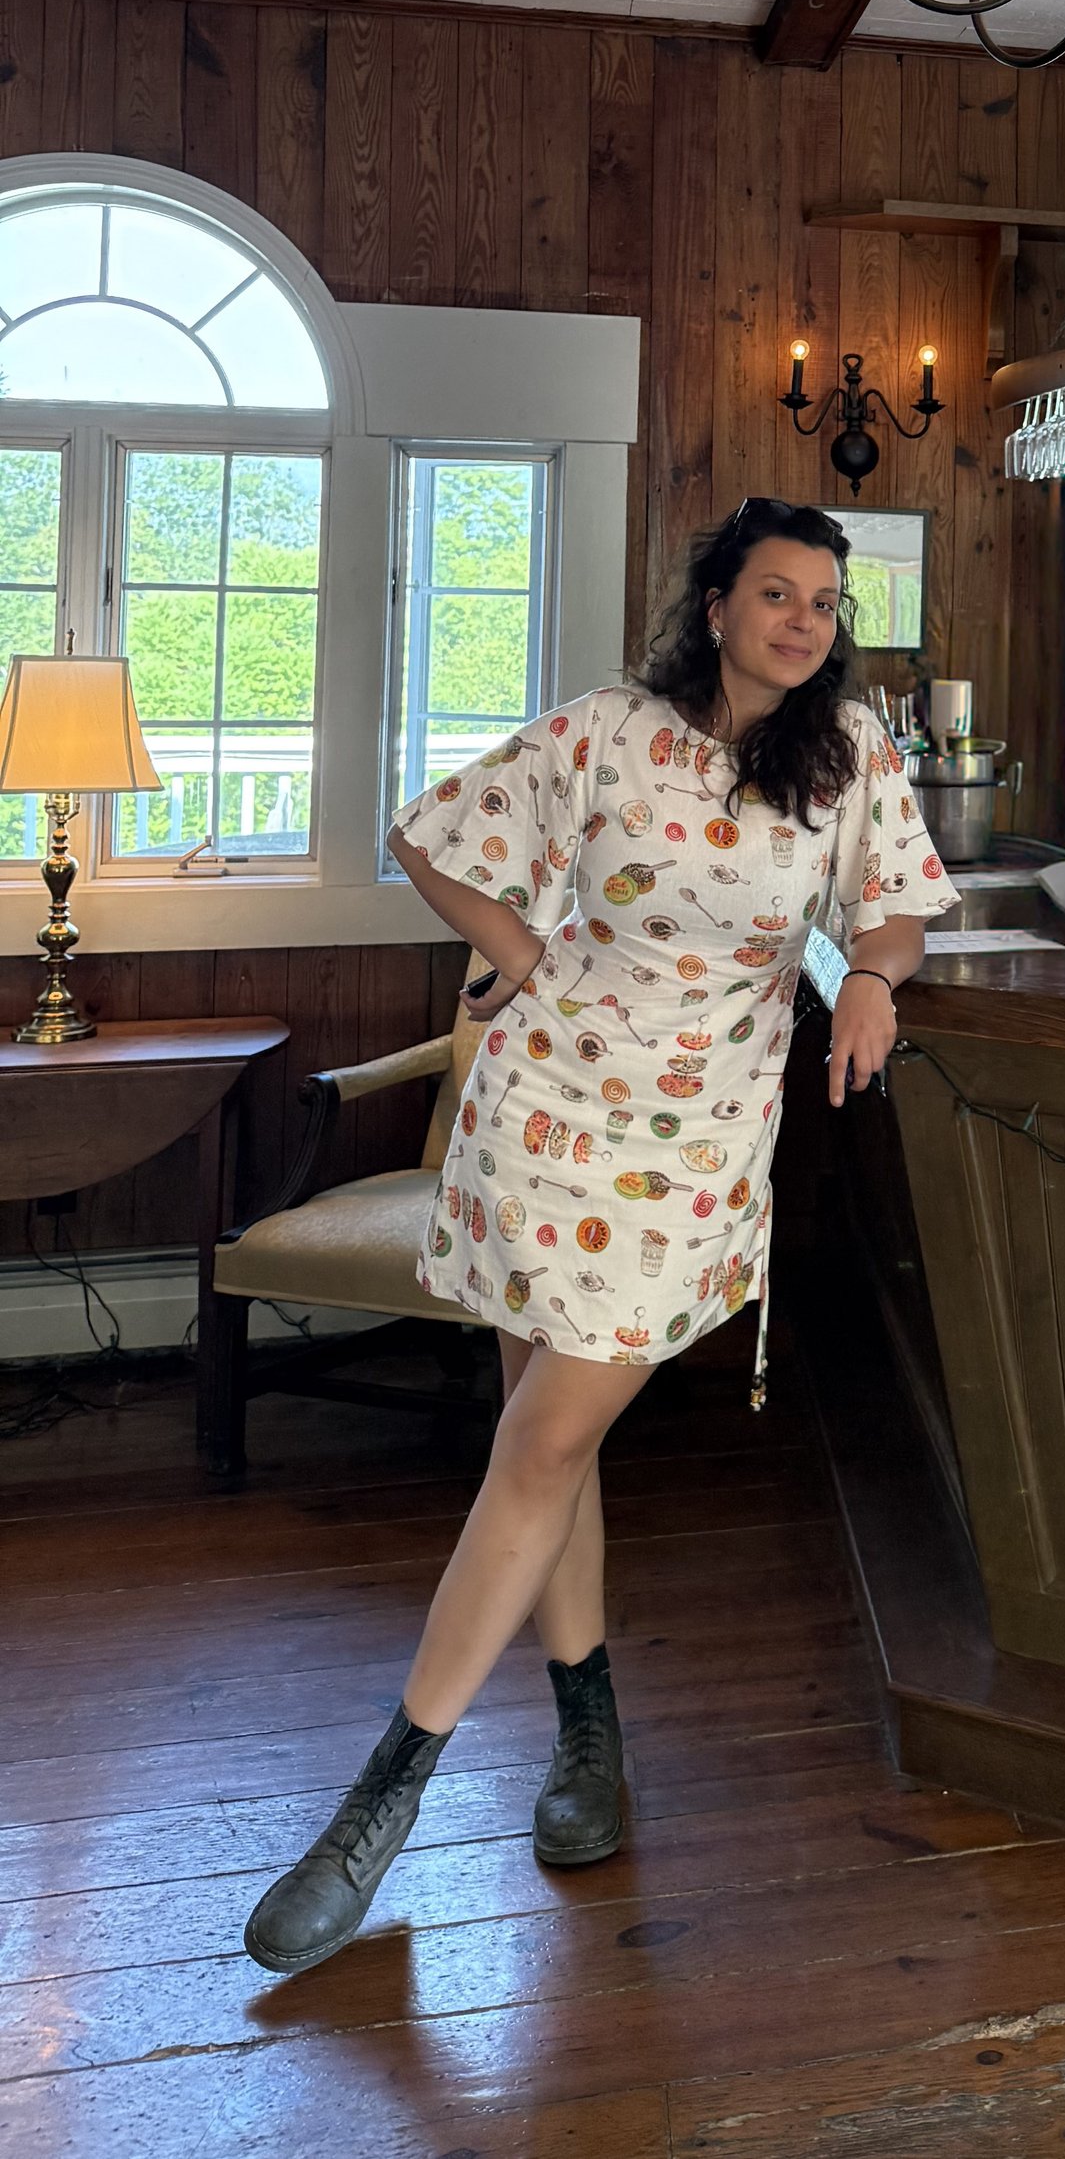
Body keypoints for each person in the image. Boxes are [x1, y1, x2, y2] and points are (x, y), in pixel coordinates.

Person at [243, 496, 957, 1975]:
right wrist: (516, 952)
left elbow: (894, 911)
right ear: (715, 603)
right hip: (543, 1112)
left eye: (824, 600)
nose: (804, 619)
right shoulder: (602, 731)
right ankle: (588, 1739)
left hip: (690, 1151)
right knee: (540, 1436)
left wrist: (878, 979)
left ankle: (382, 1800)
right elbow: (432, 834)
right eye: (777, 591)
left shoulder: (851, 758)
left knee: (545, 1439)